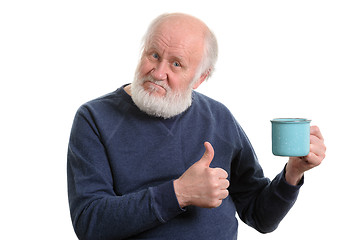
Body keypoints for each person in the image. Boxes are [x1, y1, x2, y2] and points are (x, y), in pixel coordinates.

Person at [67, 13, 326, 240]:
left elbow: (260, 217)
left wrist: (292, 174)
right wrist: (178, 193)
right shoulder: (94, 118)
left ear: (200, 78)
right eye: (154, 55)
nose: (158, 72)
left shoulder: (219, 117)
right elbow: (89, 223)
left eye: (176, 64)